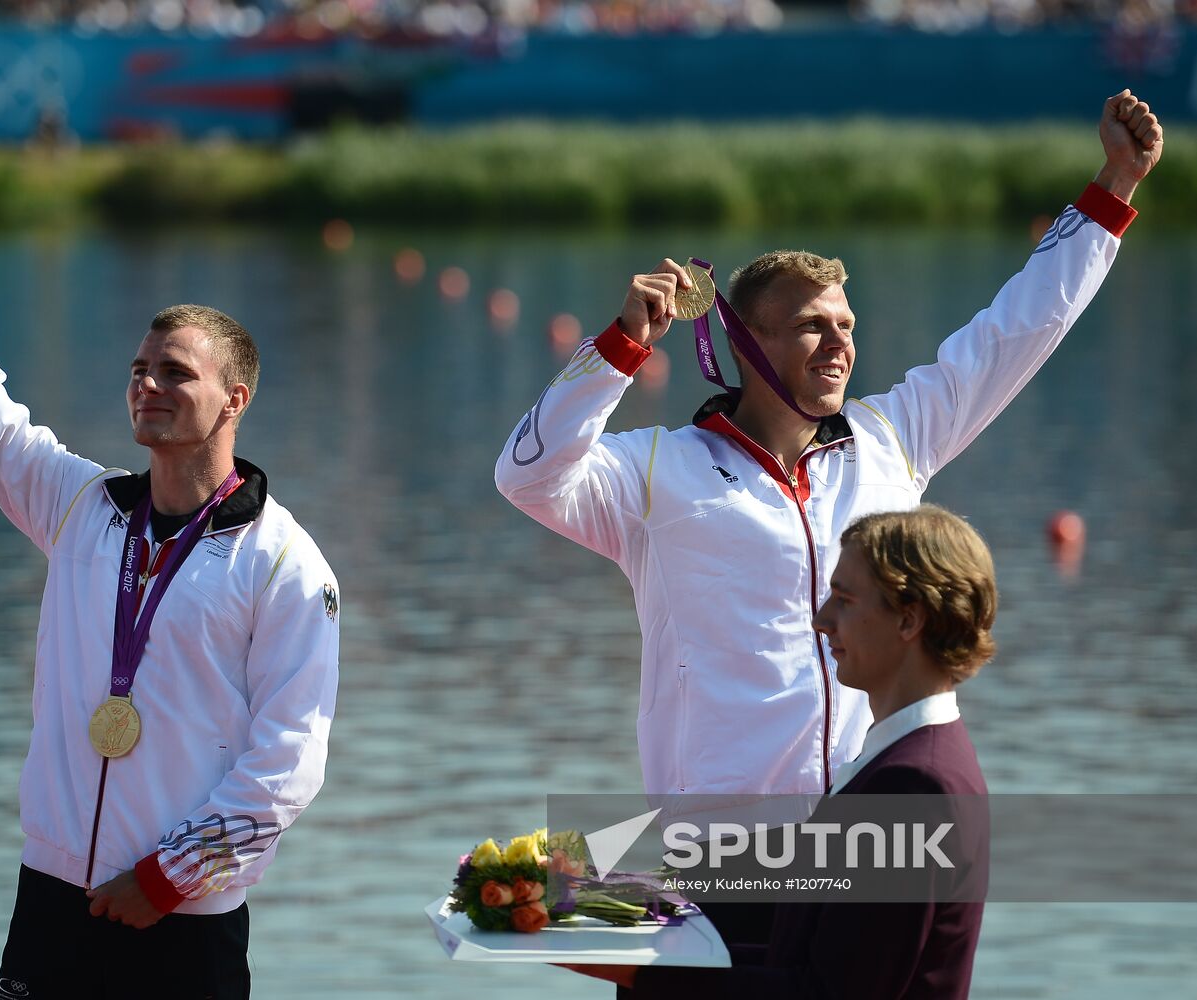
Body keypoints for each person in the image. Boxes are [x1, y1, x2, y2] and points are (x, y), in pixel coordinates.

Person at [496, 88, 1159, 948]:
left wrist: (1112, 187)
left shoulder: (892, 439)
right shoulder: (652, 471)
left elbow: (1015, 331)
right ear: (745, 344)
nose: (838, 344)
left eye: (845, 325)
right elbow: (527, 475)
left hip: (862, 847)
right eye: (810, 327)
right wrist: (619, 349)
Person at [0, 126, 339, 999]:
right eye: (139, 369)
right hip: (53, 893)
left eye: (175, 373)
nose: (147, 385)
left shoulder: (286, 562)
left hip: (182, 915)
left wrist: (170, 877)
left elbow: (289, 758)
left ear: (234, 400)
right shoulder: (81, 507)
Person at [570, 504, 997, 997]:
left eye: (843, 599)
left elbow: (828, 992)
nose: (821, 620)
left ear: (908, 619)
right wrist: (604, 907)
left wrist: (637, 969)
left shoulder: (912, 785)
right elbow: (804, 955)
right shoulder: (902, 761)